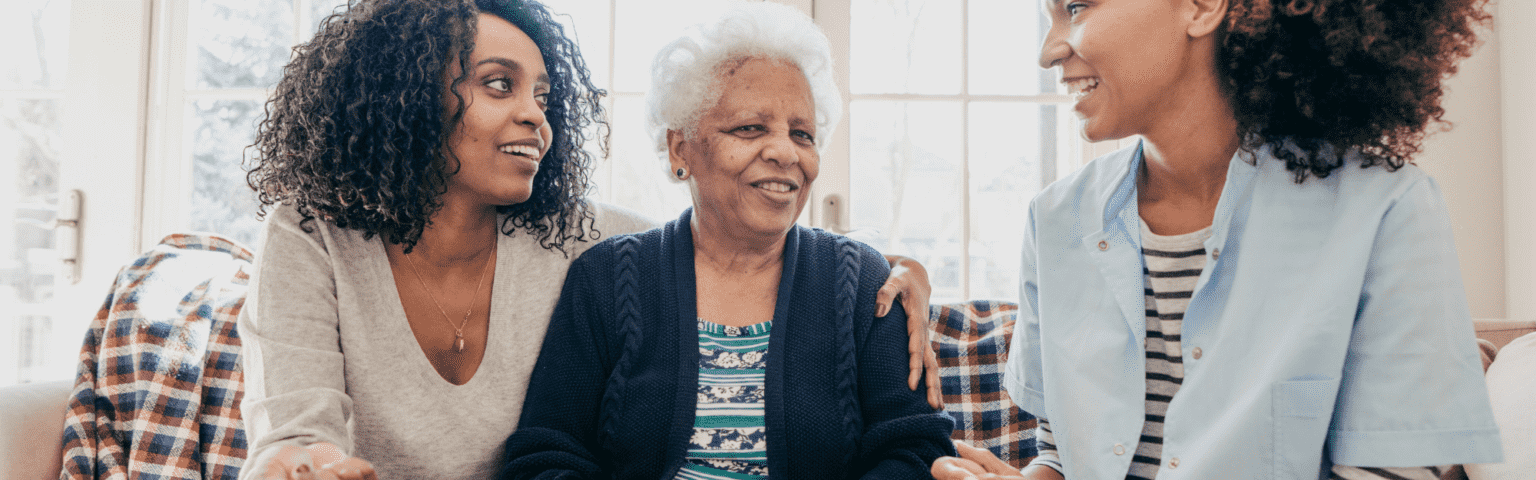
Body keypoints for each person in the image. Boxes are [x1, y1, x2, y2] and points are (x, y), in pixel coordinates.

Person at [238, 1, 940, 479]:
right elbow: (295, 431)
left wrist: (891, 266)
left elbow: (731, 233)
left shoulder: (572, 236)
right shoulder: (311, 236)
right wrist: (306, 462)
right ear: (408, 94)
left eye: (543, 97)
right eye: (498, 85)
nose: (535, 119)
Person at [932, 0, 1501, 479]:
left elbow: (1398, 468)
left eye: (1077, 7)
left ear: (1202, 6)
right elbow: (1058, 450)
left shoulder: (1386, 210)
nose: (1049, 50)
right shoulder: (1054, 219)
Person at [498, 3, 956, 479]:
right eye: (750, 128)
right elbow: (547, 455)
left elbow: (917, 448)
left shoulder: (864, 284)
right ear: (681, 149)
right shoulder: (607, 278)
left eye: (802, 134)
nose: (784, 152)